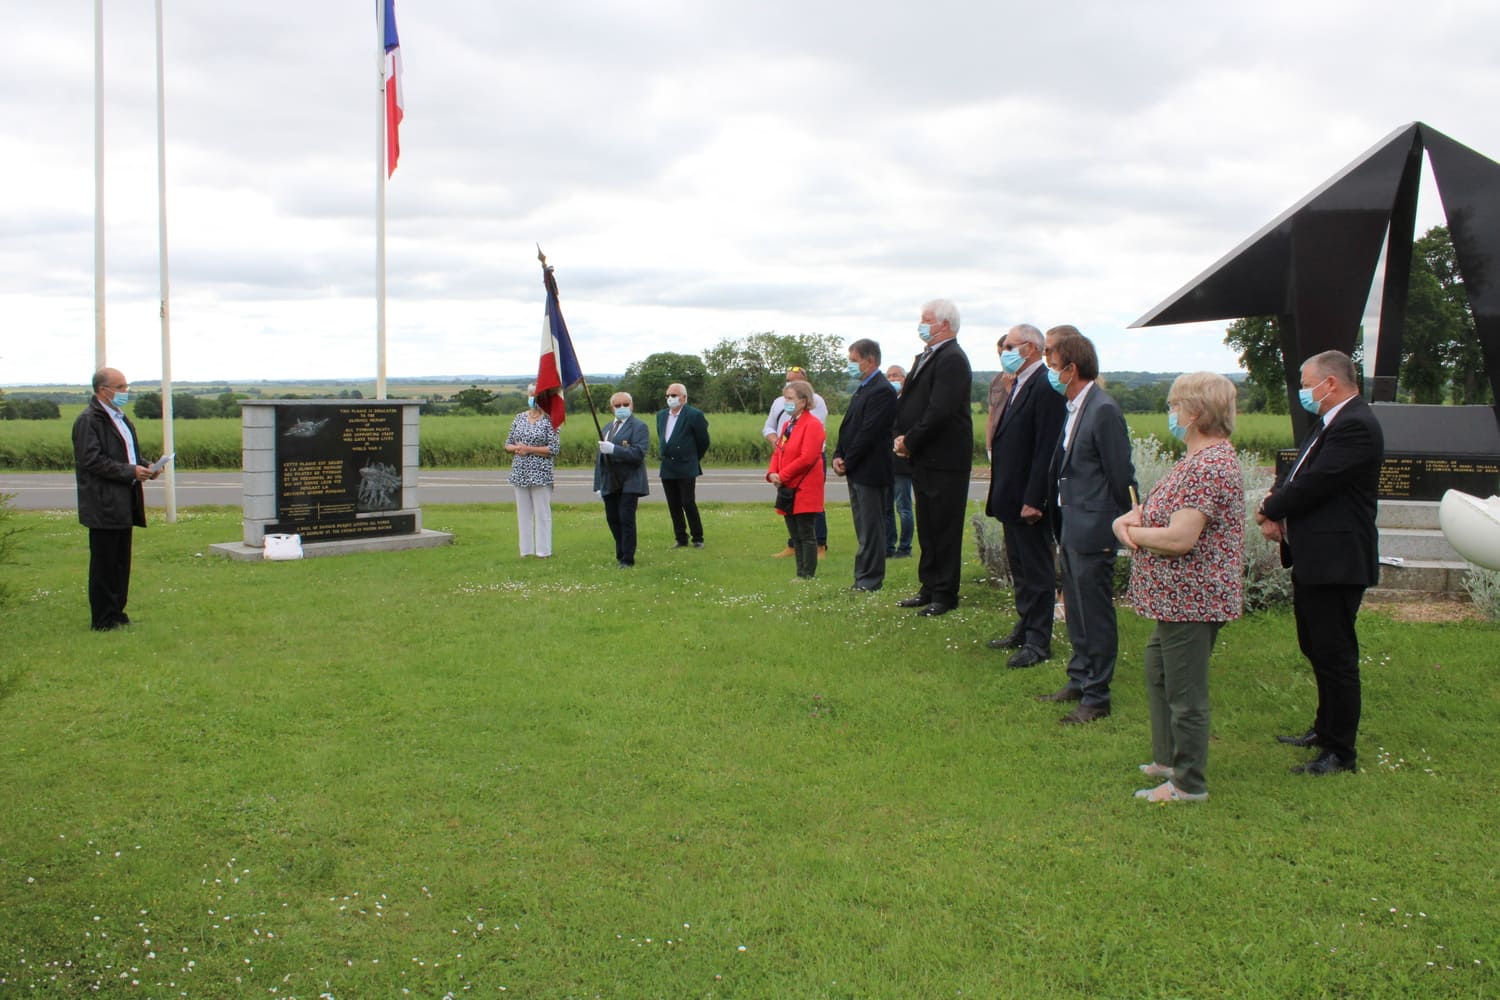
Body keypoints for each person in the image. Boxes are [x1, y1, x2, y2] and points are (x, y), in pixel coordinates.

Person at [1113, 373, 1244, 802]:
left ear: (1195, 412)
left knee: (1185, 691)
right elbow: (1159, 517)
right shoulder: (1195, 460)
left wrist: (1132, 534)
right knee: (1159, 670)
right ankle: (1168, 757)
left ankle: (1188, 783)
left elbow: (1180, 537)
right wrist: (1129, 522)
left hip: (1193, 597)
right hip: (1174, 598)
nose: (1170, 413)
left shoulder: (1209, 465)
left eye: (1174, 406)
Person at [1256, 350, 1384, 776]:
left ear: (1329, 384)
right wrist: (1275, 502)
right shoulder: (1328, 422)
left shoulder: (1356, 426)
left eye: (1307, 382)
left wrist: (1271, 508)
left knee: (1335, 654)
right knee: (1315, 645)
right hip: (1316, 556)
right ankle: (1324, 727)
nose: (1303, 391)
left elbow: (1317, 483)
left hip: (1338, 560)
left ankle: (1340, 752)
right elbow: (1295, 473)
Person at [1039, 330, 1136, 723]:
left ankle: (1097, 696)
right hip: (1072, 525)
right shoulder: (1075, 407)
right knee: (1075, 609)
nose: (1047, 366)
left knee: (1094, 613)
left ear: (1071, 368)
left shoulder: (1102, 410)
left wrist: (1120, 523)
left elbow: (1120, 475)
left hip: (1094, 528)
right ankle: (1079, 678)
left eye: (1050, 358)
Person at [985, 324, 1067, 668]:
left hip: (1028, 498)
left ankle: (1038, 640)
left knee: (1036, 570)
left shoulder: (1045, 386)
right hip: (1009, 495)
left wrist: (1036, 498)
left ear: (1031, 348)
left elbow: (1046, 447)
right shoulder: (1017, 383)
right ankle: (1025, 624)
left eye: (1010, 345)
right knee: (1019, 567)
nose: (1005, 350)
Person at [892, 298, 973, 617]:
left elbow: (940, 410)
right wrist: (902, 436)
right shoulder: (927, 355)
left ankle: (945, 593)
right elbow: (911, 401)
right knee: (927, 524)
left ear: (944, 325)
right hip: (924, 457)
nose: (921, 325)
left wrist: (911, 440)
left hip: (945, 458)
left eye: (926, 320)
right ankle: (928, 585)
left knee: (944, 526)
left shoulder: (952, 358)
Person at [73, 367, 160, 631]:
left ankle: (117, 613)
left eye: (126, 386)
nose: (126, 392)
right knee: (105, 564)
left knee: (121, 563)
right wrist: (129, 472)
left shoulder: (121, 418)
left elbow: (127, 455)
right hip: (103, 504)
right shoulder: (89, 420)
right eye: (120, 387)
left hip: (124, 501)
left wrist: (147, 467)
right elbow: (92, 460)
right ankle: (103, 619)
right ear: (103, 390)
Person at [833, 339, 898, 592]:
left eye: (853, 360)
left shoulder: (882, 390)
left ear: (869, 361)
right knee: (863, 527)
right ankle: (862, 578)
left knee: (872, 529)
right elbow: (849, 428)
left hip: (870, 470)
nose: (850, 365)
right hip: (857, 468)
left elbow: (869, 433)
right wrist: (838, 455)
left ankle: (869, 580)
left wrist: (848, 461)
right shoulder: (863, 388)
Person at [764, 367, 829, 558]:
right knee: (790, 507)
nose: (789, 385)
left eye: (793, 381)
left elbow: (808, 451)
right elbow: (770, 429)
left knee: (810, 507)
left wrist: (782, 474)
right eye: (787, 380)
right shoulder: (783, 413)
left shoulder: (816, 407)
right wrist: (773, 472)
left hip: (806, 466)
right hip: (785, 461)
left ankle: (819, 546)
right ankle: (794, 545)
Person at [504, 383, 561, 558]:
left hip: (540, 473)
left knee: (542, 514)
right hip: (519, 472)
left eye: (536, 395)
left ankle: (543, 551)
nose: (533, 398)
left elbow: (553, 448)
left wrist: (529, 449)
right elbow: (507, 444)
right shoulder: (519, 418)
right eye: (530, 395)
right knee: (523, 514)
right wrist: (516, 449)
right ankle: (526, 550)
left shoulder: (550, 420)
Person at [594, 392, 650, 568]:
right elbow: (600, 460)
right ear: (612, 408)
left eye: (625, 404)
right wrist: (598, 484)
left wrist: (614, 449)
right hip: (610, 481)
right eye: (617, 406)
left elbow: (638, 453)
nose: (622, 408)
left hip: (630, 481)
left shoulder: (639, 426)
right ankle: (620, 553)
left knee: (626, 518)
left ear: (632, 405)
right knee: (613, 518)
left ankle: (627, 558)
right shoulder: (607, 428)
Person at [656, 383, 711, 548]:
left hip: (686, 466)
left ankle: (697, 537)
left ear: (684, 397)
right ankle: (681, 537)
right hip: (668, 467)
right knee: (673, 504)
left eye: (674, 395)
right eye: (668, 395)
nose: (670, 398)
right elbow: (662, 436)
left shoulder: (694, 415)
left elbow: (703, 440)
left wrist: (693, 457)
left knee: (688, 502)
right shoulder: (661, 415)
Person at [884, 364, 914, 559]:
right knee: (886, 507)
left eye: (897, 376)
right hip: (884, 461)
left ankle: (905, 547)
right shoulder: (885, 402)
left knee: (903, 506)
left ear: (904, 378)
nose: (893, 379)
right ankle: (888, 546)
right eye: (889, 376)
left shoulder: (909, 402)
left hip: (902, 461)